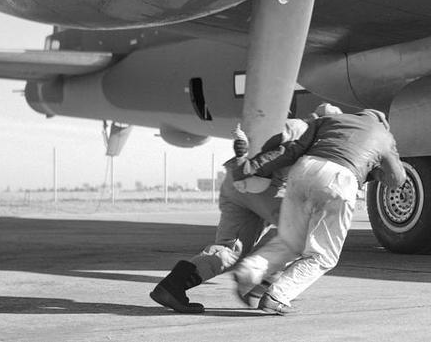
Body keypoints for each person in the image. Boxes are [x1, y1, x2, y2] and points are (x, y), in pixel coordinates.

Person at [149, 104, 341, 313]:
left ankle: (172, 287)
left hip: (236, 183)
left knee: (230, 249)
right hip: (264, 187)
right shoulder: (303, 128)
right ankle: (259, 287)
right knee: (304, 237)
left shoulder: (302, 129)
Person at [230, 109, 406, 315]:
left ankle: (249, 272)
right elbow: (397, 179)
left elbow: (291, 150)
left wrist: (250, 167)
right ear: (382, 122)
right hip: (339, 180)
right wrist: (373, 172)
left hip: (303, 171)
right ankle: (278, 295)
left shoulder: (331, 120)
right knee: (323, 256)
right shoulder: (384, 136)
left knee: (290, 242)